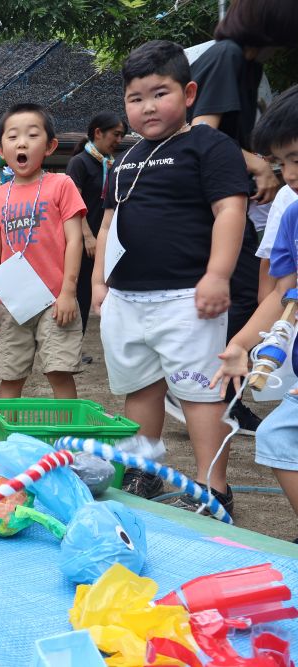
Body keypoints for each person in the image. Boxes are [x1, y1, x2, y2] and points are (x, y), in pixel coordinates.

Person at [91, 41, 249, 516]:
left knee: (198, 391)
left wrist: (217, 275)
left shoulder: (209, 145)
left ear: (190, 93)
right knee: (138, 387)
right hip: (125, 299)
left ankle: (211, 487)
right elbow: (107, 225)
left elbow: (230, 209)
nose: (148, 106)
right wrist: (100, 282)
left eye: (160, 93)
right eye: (135, 98)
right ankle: (144, 468)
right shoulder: (123, 159)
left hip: (188, 296)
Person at [183, 0, 298, 435]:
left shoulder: (247, 65)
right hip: (210, 208)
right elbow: (203, 133)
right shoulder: (227, 54)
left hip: (229, 201)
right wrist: (258, 164)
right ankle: (217, 396)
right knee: (240, 295)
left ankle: (227, 397)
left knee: (247, 295)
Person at [212, 84, 298, 537]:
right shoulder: (292, 215)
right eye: (282, 163)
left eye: (297, 158)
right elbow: (284, 294)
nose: (289, 174)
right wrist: (241, 344)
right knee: (276, 435)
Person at [0, 103, 86, 400]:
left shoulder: (62, 184)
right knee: (10, 375)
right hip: (12, 301)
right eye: (13, 137)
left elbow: (75, 241)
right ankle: (4, 444)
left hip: (55, 299)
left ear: (50, 146)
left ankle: (67, 443)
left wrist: (68, 292)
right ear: (1, 149)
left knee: (58, 371)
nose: (22, 142)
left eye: (32, 135)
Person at [65, 112, 126, 349]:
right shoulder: (79, 162)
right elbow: (73, 205)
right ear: (98, 133)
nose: (119, 140)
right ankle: (72, 349)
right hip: (83, 242)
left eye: (122, 135)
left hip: (107, 240)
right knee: (80, 294)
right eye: (116, 134)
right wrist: (88, 236)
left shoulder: (112, 164)